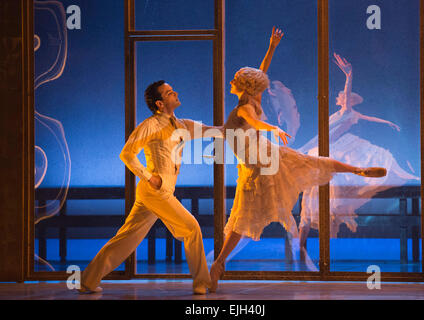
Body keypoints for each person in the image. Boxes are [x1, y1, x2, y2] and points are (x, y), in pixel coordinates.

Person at [208, 27, 387, 292]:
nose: (233, 80)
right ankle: (218, 263)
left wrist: (272, 48)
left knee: (312, 162)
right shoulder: (246, 103)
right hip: (255, 166)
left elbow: (257, 95)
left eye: (241, 79)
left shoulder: (249, 102)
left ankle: (359, 169)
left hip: (266, 157)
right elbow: (257, 99)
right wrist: (271, 49)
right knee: (242, 219)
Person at [78, 80, 222, 295]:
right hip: (155, 190)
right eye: (169, 93)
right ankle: (203, 283)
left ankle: (87, 280)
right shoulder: (150, 125)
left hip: (158, 192)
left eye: (173, 90)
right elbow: (127, 154)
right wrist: (149, 177)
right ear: (160, 103)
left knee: (126, 238)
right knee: (191, 228)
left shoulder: (182, 125)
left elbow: (215, 130)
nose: (175, 93)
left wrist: (243, 121)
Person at [297, 53, 419, 266]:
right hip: (321, 151)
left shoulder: (347, 110)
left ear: (346, 99)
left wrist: (349, 74)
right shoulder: (344, 113)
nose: (339, 96)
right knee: (311, 200)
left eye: (342, 95)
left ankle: (310, 244)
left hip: (329, 152)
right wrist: (388, 122)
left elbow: (363, 113)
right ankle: (303, 245)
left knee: (321, 197)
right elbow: (367, 118)